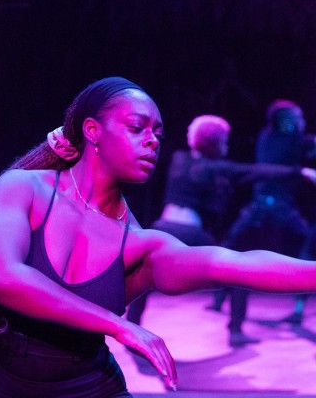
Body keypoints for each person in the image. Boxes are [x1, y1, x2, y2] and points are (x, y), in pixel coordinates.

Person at [0, 77, 316, 397]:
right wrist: (120, 326)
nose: (152, 140)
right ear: (92, 130)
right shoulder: (23, 188)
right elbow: (1, 276)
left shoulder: (140, 245)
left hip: (91, 389)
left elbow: (235, 264)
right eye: (137, 127)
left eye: (158, 133)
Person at [126, 114, 316, 345]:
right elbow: (257, 171)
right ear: (214, 143)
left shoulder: (178, 158)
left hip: (160, 228)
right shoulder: (217, 167)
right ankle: (235, 331)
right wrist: (300, 172)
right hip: (190, 235)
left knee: (143, 277)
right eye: (224, 141)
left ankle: (131, 328)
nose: (226, 146)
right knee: (241, 273)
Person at [224, 98, 316, 334]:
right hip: (279, 208)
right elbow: (305, 143)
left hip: (259, 206)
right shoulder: (293, 141)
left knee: (232, 252)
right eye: (298, 117)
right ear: (286, 121)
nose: (302, 121)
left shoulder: (267, 136)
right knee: (308, 252)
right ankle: (296, 310)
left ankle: (222, 309)